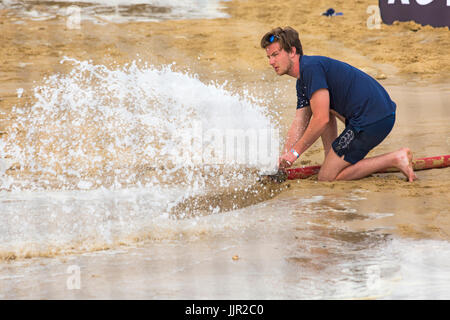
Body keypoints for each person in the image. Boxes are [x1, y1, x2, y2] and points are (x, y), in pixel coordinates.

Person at [261, 26, 416, 182]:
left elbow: (321, 120)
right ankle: (332, 158)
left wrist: (294, 154)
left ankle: (396, 158)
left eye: (275, 55)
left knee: (326, 177)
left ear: (292, 51)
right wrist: (283, 159)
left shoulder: (311, 69)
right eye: (269, 57)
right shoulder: (303, 78)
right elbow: (299, 122)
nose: (271, 62)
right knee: (321, 108)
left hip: (372, 120)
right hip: (375, 114)